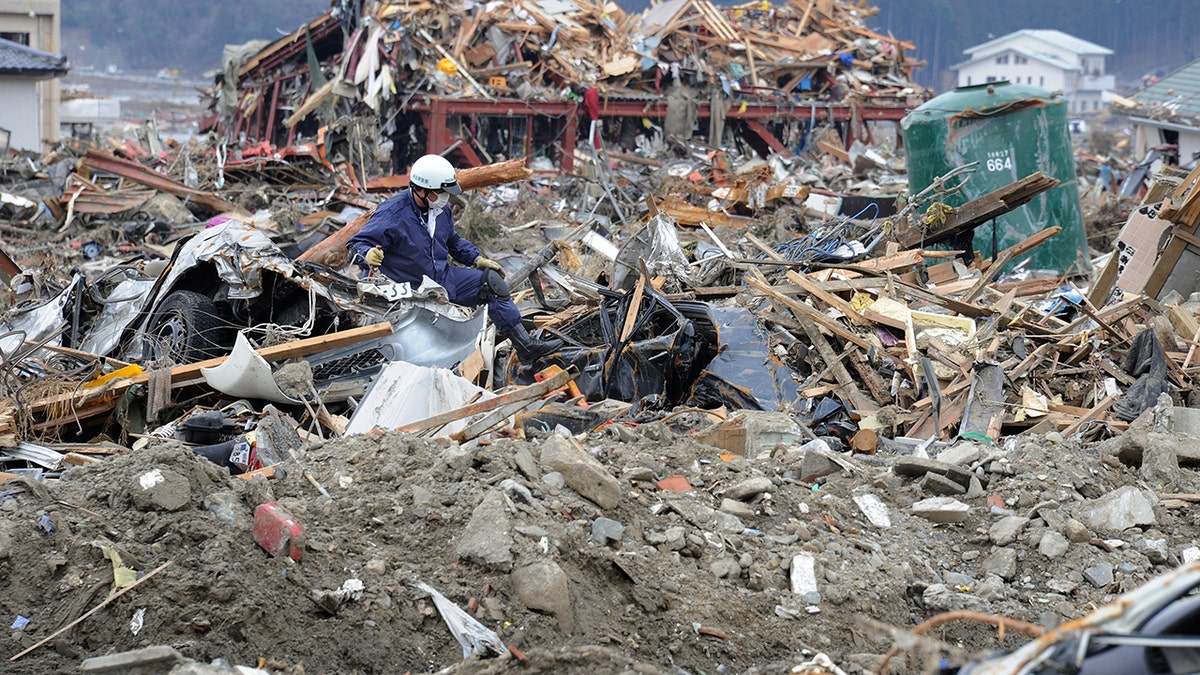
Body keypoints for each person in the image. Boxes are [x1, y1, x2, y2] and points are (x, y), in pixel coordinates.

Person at [347, 154, 561, 360]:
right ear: (421, 189)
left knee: (491, 283)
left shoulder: (441, 209)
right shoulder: (392, 214)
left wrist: (476, 259)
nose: (445, 197)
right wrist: (367, 254)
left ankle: (526, 346)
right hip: (409, 288)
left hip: (441, 278)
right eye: (440, 192)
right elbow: (356, 244)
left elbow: (452, 242)